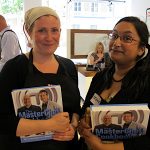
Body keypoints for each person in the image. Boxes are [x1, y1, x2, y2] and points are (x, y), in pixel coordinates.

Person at [0, 6, 80, 150]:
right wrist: (50, 125)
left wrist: (72, 127)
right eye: (41, 30)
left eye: (54, 30)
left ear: (60, 32)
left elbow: (75, 110)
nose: (49, 37)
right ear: (28, 32)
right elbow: (3, 120)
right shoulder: (14, 68)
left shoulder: (68, 66)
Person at [78, 16, 150, 150]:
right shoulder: (100, 77)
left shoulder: (146, 84)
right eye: (114, 35)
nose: (116, 42)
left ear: (141, 49)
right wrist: (82, 124)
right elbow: (85, 110)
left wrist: (103, 147)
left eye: (127, 38)